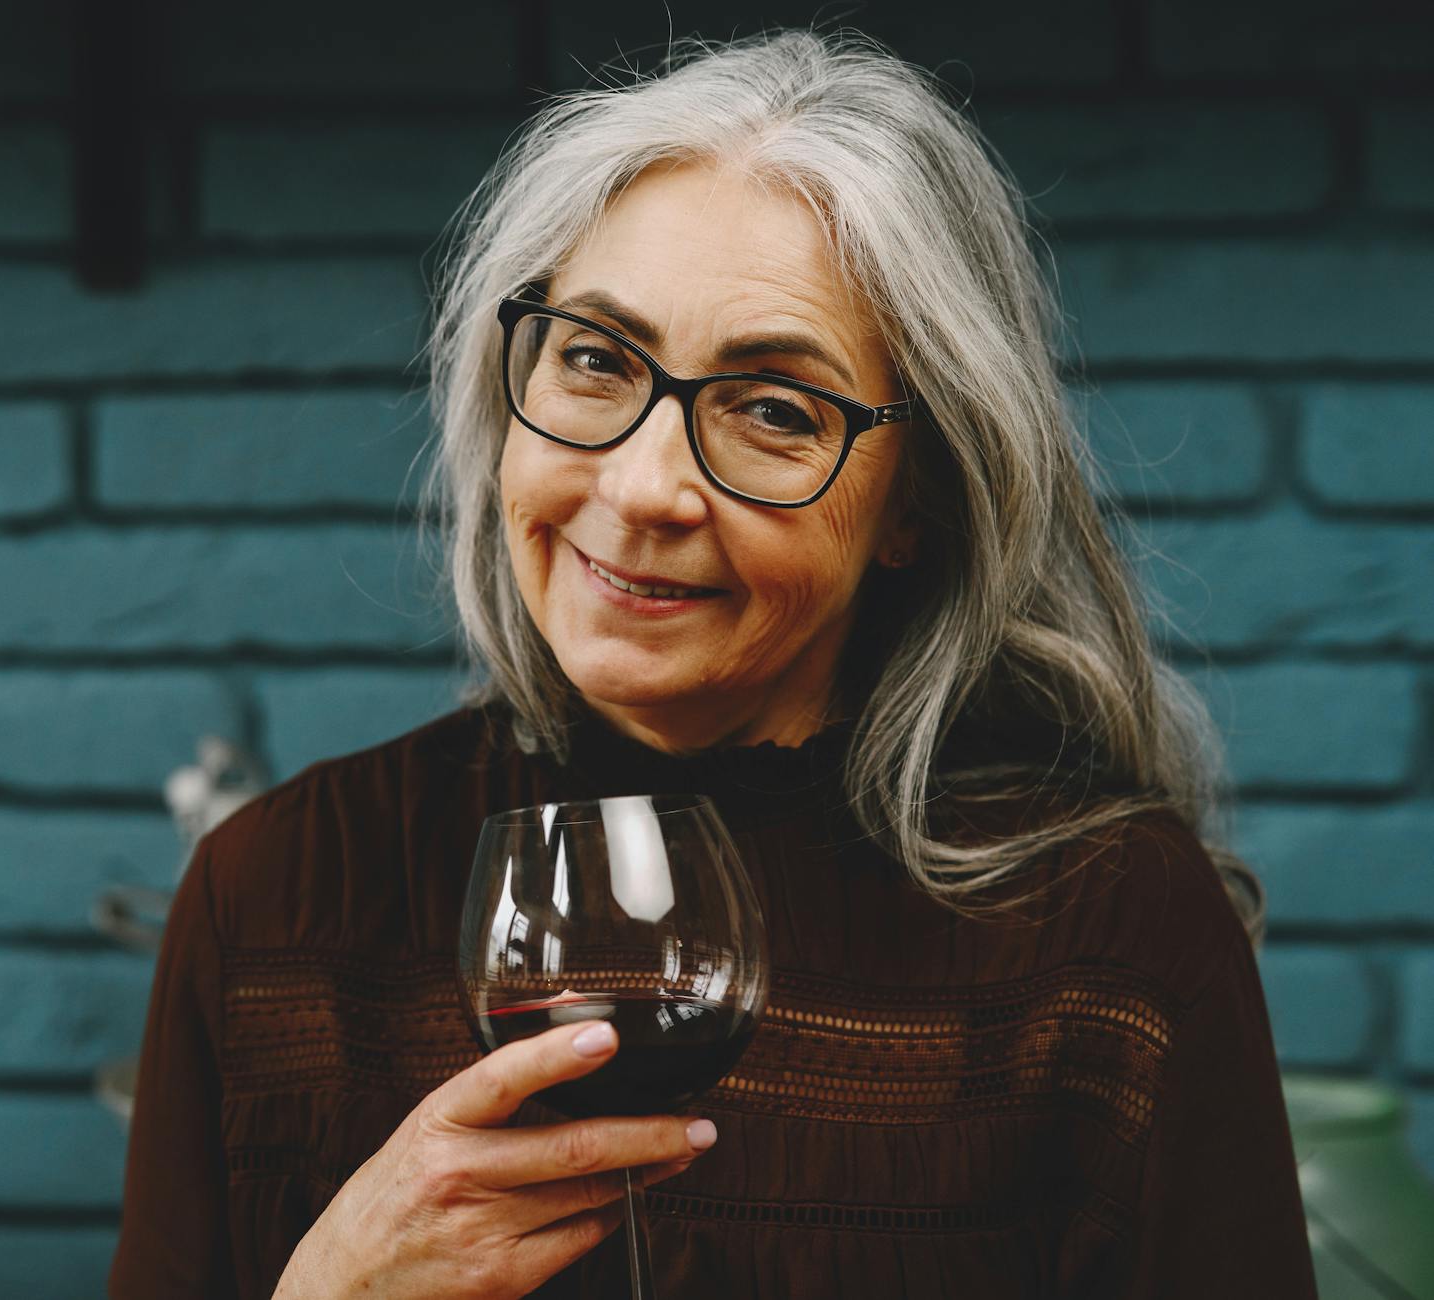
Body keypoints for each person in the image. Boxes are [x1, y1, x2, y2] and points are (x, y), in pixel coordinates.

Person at [109, 26, 1316, 1299]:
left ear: (917, 502)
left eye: (775, 411)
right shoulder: (273, 901)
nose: (643, 488)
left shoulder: (1115, 939)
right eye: (594, 359)